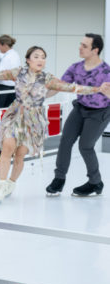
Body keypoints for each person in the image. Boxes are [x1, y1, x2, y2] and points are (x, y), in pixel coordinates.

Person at [0, 47, 110, 203]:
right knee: (7, 146)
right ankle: (1, 184)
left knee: (20, 154)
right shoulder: (18, 72)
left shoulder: (48, 79)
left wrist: (97, 89)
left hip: (33, 120)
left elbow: (73, 87)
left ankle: (11, 183)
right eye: (36, 56)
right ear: (28, 59)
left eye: (43, 57)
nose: (40, 60)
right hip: (15, 115)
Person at [45, 34, 110, 198]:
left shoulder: (106, 71)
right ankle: (59, 179)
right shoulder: (76, 67)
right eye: (81, 44)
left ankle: (95, 182)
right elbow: (60, 86)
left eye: (84, 46)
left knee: (85, 146)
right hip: (80, 108)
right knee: (65, 140)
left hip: (99, 112)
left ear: (95, 50)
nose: (80, 47)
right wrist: (42, 95)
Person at [0, 34, 20, 108]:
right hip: (12, 88)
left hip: (3, 88)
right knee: (3, 109)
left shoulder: (8, 58)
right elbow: (0, 56)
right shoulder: (14, 54)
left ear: (4, 45)